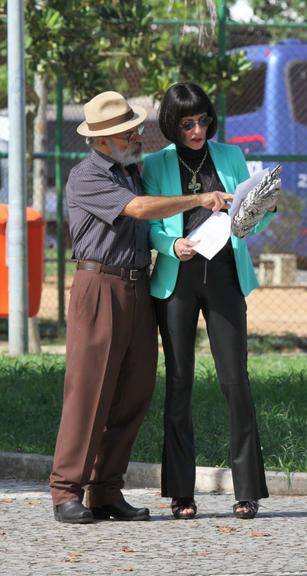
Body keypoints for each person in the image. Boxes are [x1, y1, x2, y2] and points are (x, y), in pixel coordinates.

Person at [49, 90, 232, 524]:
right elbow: (141, 211)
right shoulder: (88, 176)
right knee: (90, 393)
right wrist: (199, 199)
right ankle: (65, 492)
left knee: (134, 393)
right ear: (101, 140)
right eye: (124, 131)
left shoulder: (131, 171)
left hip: (137, 287)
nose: (135, 134)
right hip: (100, 288)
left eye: (132, 127)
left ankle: (106, 492)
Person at [142, 82, 277, 520]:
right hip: (177, 278)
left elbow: (247, 217)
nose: (197, 130)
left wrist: (255, 212)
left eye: (202, 121)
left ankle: (248, 490)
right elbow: (148, 222)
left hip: (224, 275)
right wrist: (171, 244)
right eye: (187, 123)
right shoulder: (155, 163)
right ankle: (181, 492)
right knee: (179, 382)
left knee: (235, 380)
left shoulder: (232, 156)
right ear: (172, 124)